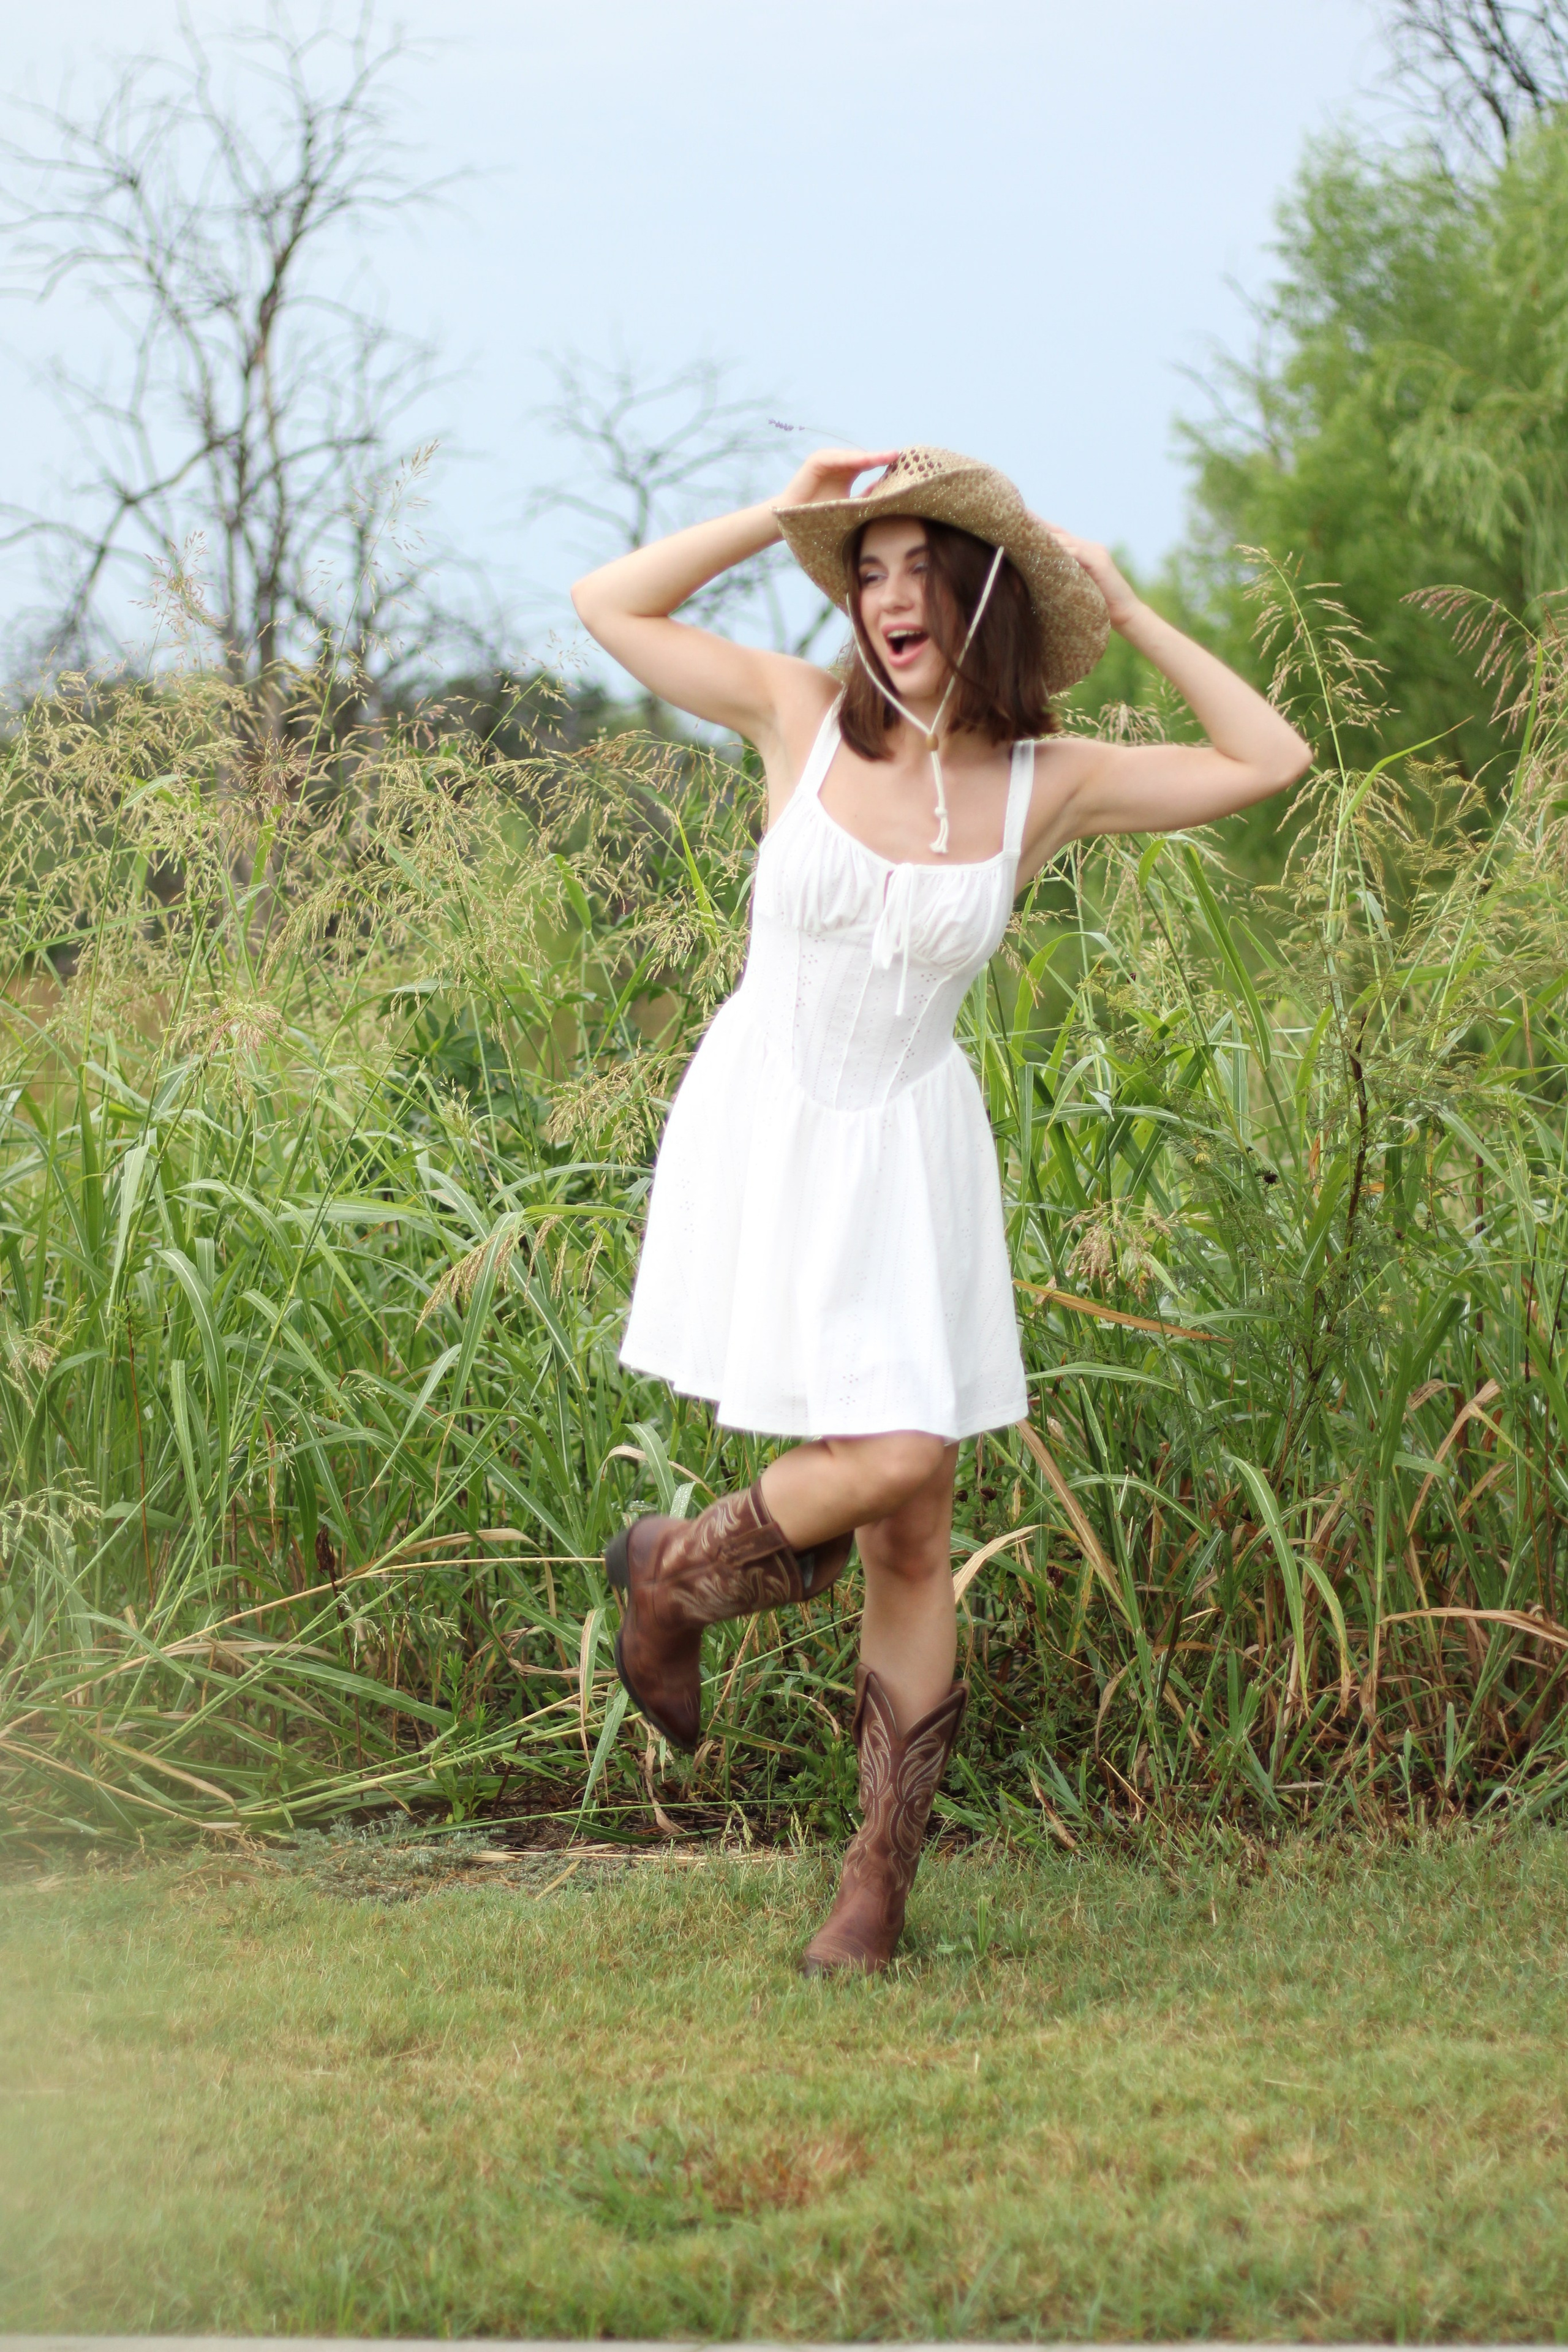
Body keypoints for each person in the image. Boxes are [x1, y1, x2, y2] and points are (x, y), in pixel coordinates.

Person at [571, 445, 1310, 1974]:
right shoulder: (792, 716)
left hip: (912, 1151)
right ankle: (676, 1577)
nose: (888, 596)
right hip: (771, 1126)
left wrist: (1126, 601)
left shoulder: (1049, 785)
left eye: (920, 567)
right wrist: (784, 512)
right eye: (868, 568)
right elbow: (607, 601)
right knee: (894, 1459)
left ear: (980, 597)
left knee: (913, 1527)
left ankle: (873, 1883)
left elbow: (1267, 758)